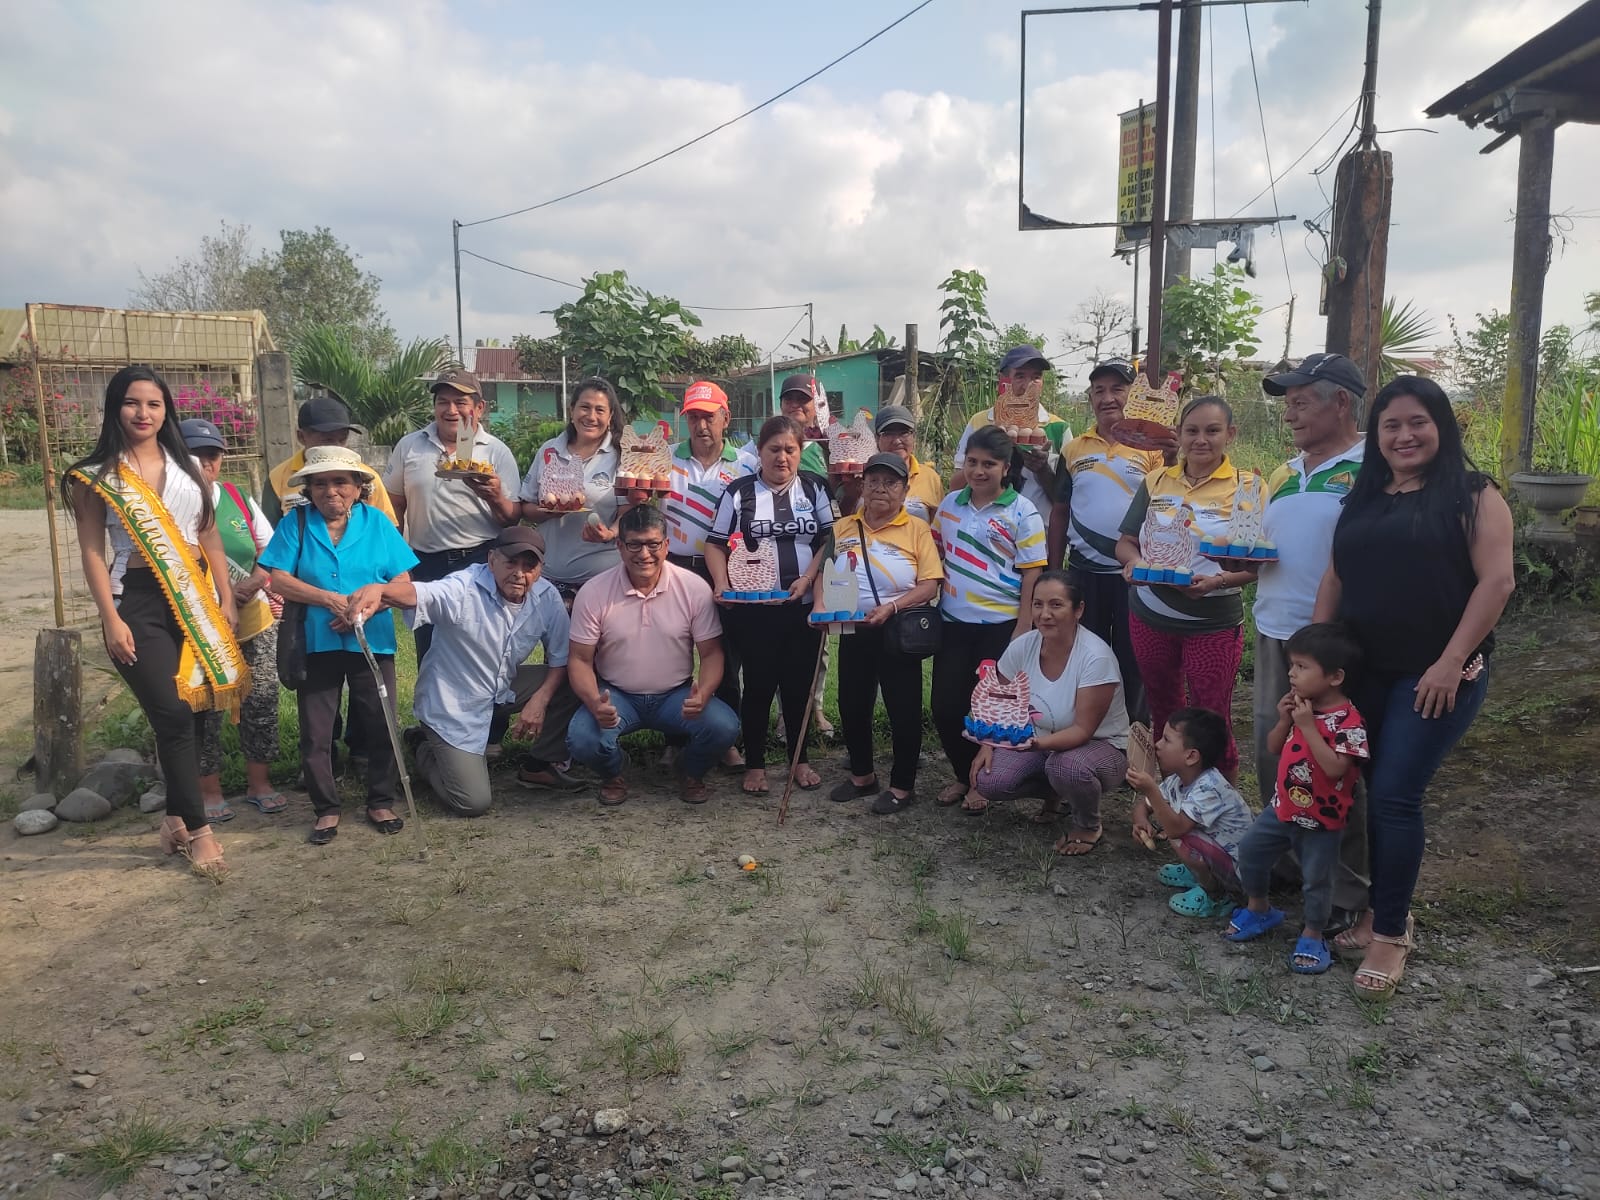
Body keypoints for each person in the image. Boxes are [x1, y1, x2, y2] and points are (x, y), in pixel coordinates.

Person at [1313, 375, 1514, 1000]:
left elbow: (1497, 582)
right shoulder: (1364, 497)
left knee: (1397, 795)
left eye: (1417, 422)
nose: (1405, 435)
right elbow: (1335, 579)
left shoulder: (1473, 494)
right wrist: (1314, 661)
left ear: (1441, 426)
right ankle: (1382, 908)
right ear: (1376, 435)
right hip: (1362, 672)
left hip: (1433, 677)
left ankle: (1390, 934)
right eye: (1391, 425)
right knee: (1376, 790)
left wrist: (1452, 660)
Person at [64, 366, 244, 878]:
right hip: (137, 599)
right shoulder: (97, 475)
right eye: (132, 402)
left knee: (197, 710)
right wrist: (109, 618)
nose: (143, 413)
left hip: (194, 598)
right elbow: (92, 552)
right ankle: (201, 831)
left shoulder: (188, 466)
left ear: (166, 411)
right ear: (114, 408)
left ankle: (174, 821)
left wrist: (226, 597)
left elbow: (208, 534)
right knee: (171, 711)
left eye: (153, 404)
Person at [344, 526, 584, 815]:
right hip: (453, 706)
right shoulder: (463, 586)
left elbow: (561, 658)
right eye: (511, 562)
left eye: (529, 566)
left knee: (576, 680)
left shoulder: (547, 596)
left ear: (541, 569)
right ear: (491, 560)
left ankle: (539, 765)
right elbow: (422, 593)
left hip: (501, 687)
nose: (519, 574)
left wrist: (541, 700)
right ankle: (422, 746)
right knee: (473, 802)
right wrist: (381, 590)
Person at [1254, 352, 1370, 933]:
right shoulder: (1284, 473)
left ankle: (1346, 888)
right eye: (1289, 404)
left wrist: (1322, 644)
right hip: (1274, 630)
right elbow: (1269, 553)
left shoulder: (1371, 467)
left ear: (1341, 402)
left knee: (1334, 763)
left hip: (1331, 645)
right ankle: (1285, 859)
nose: (1290, 414)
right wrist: (1223, 571)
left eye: (1301, 402)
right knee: (1274, 747)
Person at [259, 446, 418, 845]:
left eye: (340, 482)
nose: (331, 491)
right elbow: (279, 579)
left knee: (380, 721)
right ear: (309, 489)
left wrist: (367, 606)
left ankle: (381, 800)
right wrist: (329, 600)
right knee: (316, 731)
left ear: (359, 486)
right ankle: (326, 809)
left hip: (372, 639)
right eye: (321, 483)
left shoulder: (378, 523)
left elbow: (402, 584)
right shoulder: (296, 523)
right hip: (315, 640)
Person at [1115, 396, 1257, 782]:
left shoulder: (1248, 486)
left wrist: (1218, 581)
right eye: (1191, 431)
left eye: (1212, 431)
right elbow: (1126, 541)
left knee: (1211, 716)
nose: (1201, 440)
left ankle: (1220, 803)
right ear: (1178, 434)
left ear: (1230, 434)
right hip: (1150, 614)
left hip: (1212, 621)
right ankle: (1169, 796)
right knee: (1164, 709)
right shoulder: (1157, 480)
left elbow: (1258, 563)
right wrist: (1134, 562)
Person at [566, 506, 741, 806]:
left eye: (653, 544)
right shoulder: (594, 591)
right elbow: (579, 659)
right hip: (616, 694)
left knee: (725, 727)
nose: (644, 554)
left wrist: (704, 693)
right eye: (634, 544)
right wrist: (595, 702)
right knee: (581, 738)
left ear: (666, 545)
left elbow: (712, 653)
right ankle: (614, 772)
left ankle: (690, 770)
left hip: (675, 695)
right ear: (619, 546)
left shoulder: (693, 588)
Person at [1228, 623, 1370, 974]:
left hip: (1322, 820)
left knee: (1318, 879)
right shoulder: (1301, 707)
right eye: (1292, 664)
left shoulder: (1349, 722)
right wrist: (1284, 720)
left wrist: (1307, 725)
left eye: (1302, 666)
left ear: (1335, 677)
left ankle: (1313, 933)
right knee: (1251, 851)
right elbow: (1273, 747)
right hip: (1282, 808)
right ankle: (1259, 908)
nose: (1291, 673)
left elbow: (1335, 769)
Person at [705, 415, 834, 796]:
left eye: (790, 450)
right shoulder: (739, 492)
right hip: (754, 611)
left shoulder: (814, 488)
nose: (782, 457)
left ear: (800, 452)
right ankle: (756, 765)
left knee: (798, 688)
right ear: (759, 452)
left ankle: (800, 760)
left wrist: (808, 579)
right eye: (774, 449)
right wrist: (722, 584)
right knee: (759, 687)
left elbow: (830, 541)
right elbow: (715, 543)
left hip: (803, 608)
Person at [967, 572, 1130, 853]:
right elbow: (998, 698)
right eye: (1037, 604)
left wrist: (1034, 744)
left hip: (1101, 745)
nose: (1044, 615)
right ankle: (1057, 793)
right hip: (1040, 740)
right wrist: (988, 744)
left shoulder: (1096, 657)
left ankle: (1087, 825)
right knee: (990, 781)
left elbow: (1082, 730)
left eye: (1056, 605)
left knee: (1067, 767)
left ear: (1078, 610)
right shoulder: (1023, 645)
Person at [930, 425, 1047, 811]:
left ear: (1006, 468)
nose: (978, 471)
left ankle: (983, 783)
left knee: (993, 710)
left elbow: (1032, 572)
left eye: (989, 464)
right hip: (953, 622)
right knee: (946, 706)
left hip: (1002, 625)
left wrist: (1024, 625)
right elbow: (934, 553)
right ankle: (963, 775)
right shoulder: (950, 505)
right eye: (972, 462)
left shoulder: (1022, 510)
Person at [180, 418, 287, 822]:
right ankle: (209, 790)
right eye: (194, 455)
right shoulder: (164, 507)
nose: (205, 464)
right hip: (199, 627)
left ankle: (260, 783)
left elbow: (271, 550)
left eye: (212, 455)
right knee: (205, 708)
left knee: (260, 701)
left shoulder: (236, 498)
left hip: (253, 618)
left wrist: (251, 584)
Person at [826, 452, 945, 814]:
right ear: (862, 486)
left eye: (890, 483)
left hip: (899, 629)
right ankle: (862, 775)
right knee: (852, 703)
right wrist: (821, 607)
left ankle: (902, 786)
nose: (880, 489)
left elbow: (930, 584)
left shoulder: (917, 529)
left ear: (905, 490)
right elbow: (826, 571)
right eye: (873, 481)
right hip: (854, 625)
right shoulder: (843, 527)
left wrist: (892, 607)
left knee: (903, 707)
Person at [1048, 359, 1167, 722]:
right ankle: (1092, 733)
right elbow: (1060, 511)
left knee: (1135, 660)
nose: (1107, 398)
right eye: (1099, 390)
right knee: (1089, 658)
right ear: (1090, 398)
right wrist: (1054, 571)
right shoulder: (1074, 449)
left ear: (1133, 395)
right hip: (1085, 574)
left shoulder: (1154, 448)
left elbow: (1167, 505)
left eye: (1117, 389)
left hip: (1136, 575)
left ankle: (1137, 737)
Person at [383, 369, 520, 660]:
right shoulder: (410, 446)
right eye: (443, 402)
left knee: (481, 647)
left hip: (480, 561)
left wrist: (494, 496)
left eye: (460, 402)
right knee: (430, 650)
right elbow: (393, 507)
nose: (451, 410)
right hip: (425, 563)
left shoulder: (496, 452)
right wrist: (399, 562)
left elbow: (511, 519)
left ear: (479, 408)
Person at [663, 380, 748, 769]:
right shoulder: (665, 459)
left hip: (725, 570)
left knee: (725, 655)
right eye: (694, 417)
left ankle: (727, 738)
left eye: (709, 417)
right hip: (673, 567)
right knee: (672, 653)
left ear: (725, 418)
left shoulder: (746, 464)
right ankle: (675, 737)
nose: (701, 426)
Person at [1127, 707, 1254, 919]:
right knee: (1182, 832)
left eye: (1167, 740)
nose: (1157, 744)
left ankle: (1217, 895)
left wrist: (1150, 789)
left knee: (1182, 838)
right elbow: (1145, 805)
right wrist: (1140, 821)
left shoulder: (1209, 787)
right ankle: (1198, 872)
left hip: (1243, 873)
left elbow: (1175, 829)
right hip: (1222, 854)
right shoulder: (1178, 780)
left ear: (1191, 756)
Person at [519, 376, 634, 602]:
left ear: (610, 416)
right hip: (546, 578)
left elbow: (628, 511)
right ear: (572, 410)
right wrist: (548, 511)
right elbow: (526, 507)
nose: (591, 416)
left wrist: (610, 533)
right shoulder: (550, 450)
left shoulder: (620, 456)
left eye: (600, 410)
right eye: (585, 407)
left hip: (601, 580)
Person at [950, 345, 1069, 520]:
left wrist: (1042, 470)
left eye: (1036, 377)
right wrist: (989, 452)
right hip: (983, 528)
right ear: (1003, 380)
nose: (1028, 385)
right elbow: (955, 486)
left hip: (1036, 530)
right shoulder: (980, 422)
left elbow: (1066, 501)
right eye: (1020, 376)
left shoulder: (1058, 428)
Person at [261, 394, 397, 526]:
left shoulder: (367, 477)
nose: (336, 446)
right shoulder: (278, 478)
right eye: (327, 440)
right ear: (301, 437)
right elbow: (269, 533)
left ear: (358, 488)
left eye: (342, 439)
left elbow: (388, 529)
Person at [834, 404, 945, 523]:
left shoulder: (930, 477)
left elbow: (938, 524)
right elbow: (840, 523)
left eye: (904, 433)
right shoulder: (860, 475)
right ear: (876, 438)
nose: (897, 440)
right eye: (888, 433)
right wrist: (851, 496)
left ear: (914, 436)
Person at [736, 375, 831, 477]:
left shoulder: (827, 447)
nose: (795, 405)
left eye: (803, 399)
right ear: (781, 405)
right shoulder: (759, 446)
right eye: (788, 399)